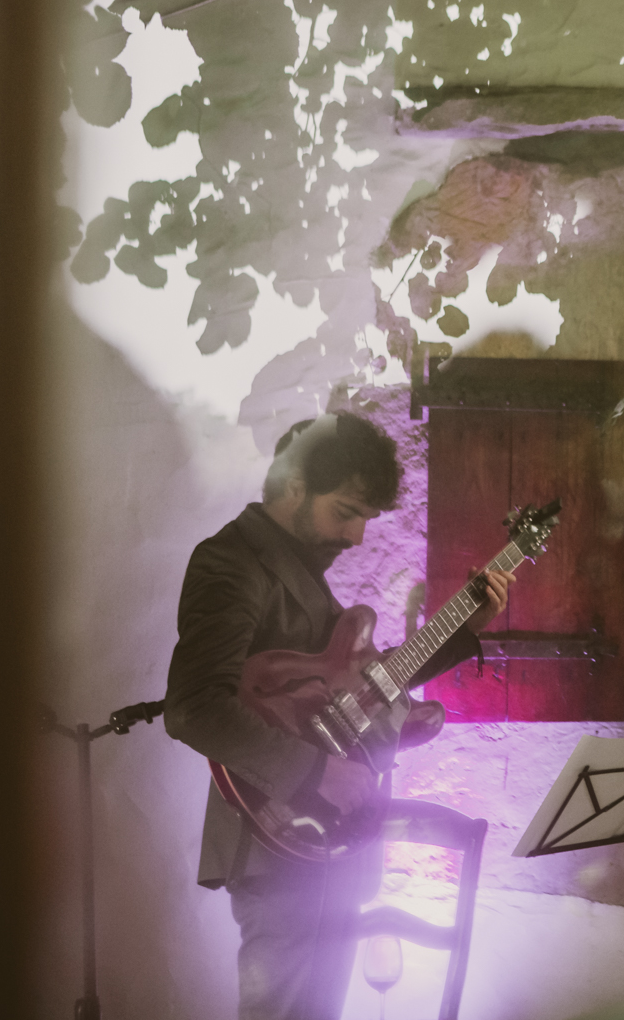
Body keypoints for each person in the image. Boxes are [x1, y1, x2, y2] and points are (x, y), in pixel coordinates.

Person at [165, 412, 514, 1020]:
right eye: (346, 511)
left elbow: (365, 693)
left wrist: (464, 630)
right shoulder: (231, 563)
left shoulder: (303, 575)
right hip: (276, 839)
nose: (356, 537)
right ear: (294, 486)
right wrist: (318, 775)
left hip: (327, 841)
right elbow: (195, 706)